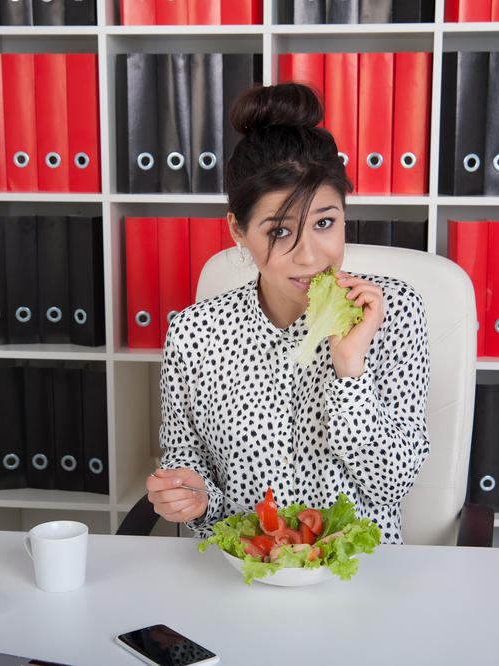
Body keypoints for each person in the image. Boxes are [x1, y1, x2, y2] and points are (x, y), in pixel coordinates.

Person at [145, 82, 430, 544]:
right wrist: (192, 498)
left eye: (325, 222)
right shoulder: (194, 333)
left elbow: (391, 485)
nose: (309, 255)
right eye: (280, 231)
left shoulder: (392, 313)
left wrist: (350, 370)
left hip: (358, 580)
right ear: (238, 229)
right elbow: (190, 467)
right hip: (243, 573)